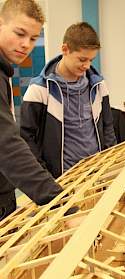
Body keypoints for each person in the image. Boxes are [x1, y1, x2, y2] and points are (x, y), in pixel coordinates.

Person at [20, 22, 117, 179]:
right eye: (82, 59)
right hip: (61, 178)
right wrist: (44, 177)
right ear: (65, 49)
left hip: (96, 174)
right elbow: (27, 138)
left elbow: (108, 127)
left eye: (91, 60)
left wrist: (110, 163)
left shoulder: (99, 85)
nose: (87, 65)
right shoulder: (38, 90)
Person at [0, 0, 62, 220]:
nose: (26, 44)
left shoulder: (4, 71)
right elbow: (7, 146)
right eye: (19, 33)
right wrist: (58, 204)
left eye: (33, 38)